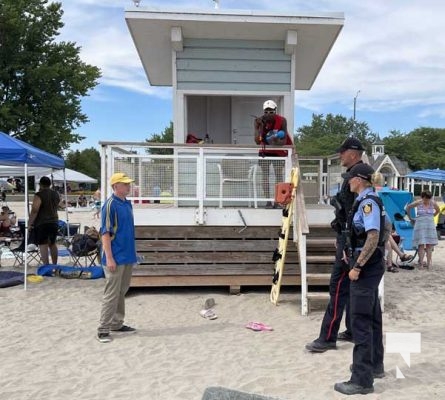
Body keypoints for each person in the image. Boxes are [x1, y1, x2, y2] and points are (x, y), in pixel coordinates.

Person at [305, 137, 364, 353]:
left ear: (353, 153)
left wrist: (343, 236)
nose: (340, 155)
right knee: (352, 288)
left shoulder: (354, 176)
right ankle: (351, 330)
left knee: (338, 288)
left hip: (349, 242)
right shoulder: (360, 174)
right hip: (351, 239)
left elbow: (347, 212)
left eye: (343, 152)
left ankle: (328, 337)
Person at [334, 163, 386, 396]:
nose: (347, 182)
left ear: (359, 180)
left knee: (360, 320)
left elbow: (373, 236)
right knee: (372, 316)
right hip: (371, 265)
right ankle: (374, 365)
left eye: (350, 178)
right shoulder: (371, 199)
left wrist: (357, 266)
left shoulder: (367, 203)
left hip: (366, 267)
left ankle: (362, 379)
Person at [97, 172, 138, 343]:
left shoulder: (127, 204)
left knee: (122, 291)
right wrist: (110, 258)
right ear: (115, 186)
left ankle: (116, 323)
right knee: (111, 294)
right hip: (115, 256)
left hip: (127, 255)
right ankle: (103, 329)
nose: (129, 186)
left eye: (129, 184)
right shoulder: (110, 205)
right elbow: (105, 233)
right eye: (125, 184)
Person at [254, 100, 293, 209]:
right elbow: (257, 141)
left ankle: (278, 200)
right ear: (263, 111)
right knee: (265, 176)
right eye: (266, 111)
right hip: (264, 150)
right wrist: (259, 127)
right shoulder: (258, 121)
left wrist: (274, 140)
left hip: (278, 151)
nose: (268, 114)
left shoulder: (282, 120)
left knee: (278, 176)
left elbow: (284, 141)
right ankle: (267, 201)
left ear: (275, 111)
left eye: (271, 111)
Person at [28, 176, 61, 265]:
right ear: (50, 184)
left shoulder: (39, 194)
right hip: (54, 221)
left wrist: (29, 223)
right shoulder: (56, 194)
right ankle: (55, 265)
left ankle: (46, 266)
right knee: (52, 244)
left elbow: (35, 210)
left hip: (42, 222)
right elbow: (58, 204)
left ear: (40, 184)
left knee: (43, 244)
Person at [406, 190, 440, 269]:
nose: (427, 200)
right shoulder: (418, 202)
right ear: (422, 197)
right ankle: (421, 263)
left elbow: (438, 210)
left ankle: (428, 264)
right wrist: (410, 218)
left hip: (430, 225)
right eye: (425, 198)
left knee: (429, 245)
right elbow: (408, 207)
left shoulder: (433, 203)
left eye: (428, 198)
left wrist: (432, 216)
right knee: (421, 244)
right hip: (420, 225)